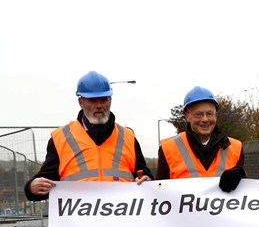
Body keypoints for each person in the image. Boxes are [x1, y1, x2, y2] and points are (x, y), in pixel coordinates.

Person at [25, 71, 152, 200]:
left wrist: (147, 181)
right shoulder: (61, 139)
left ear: (110, 100)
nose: (99, 106)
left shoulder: (128, 137)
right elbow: (45, 181)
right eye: (92, 101)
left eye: (103, 100)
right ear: (81, 102)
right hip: (78, 218)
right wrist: (32, 188)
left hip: (122, 215)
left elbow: (144, 175)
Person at [156, 86, 245, 191]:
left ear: (216, 115)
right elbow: (159, 192)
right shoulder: (168, 149)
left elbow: (244, 192)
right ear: (187, 116)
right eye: (199, 114)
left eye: (209, 114)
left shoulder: (236, 148)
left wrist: (241, 176)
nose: (205, 119)